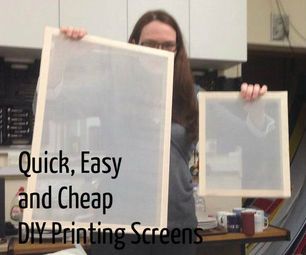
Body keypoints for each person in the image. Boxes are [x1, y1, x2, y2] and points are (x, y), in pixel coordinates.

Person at [60, 10, 268, 254]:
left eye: (168, 45)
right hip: (119, 225)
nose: (159, 51)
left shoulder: (192, 96)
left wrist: (257, 111)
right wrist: (63, 58)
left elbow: (247, 137)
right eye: (150, 44)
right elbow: (50, 105)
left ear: (177, 50)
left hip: (176, 229)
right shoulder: (111, 90)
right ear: (135, 45)